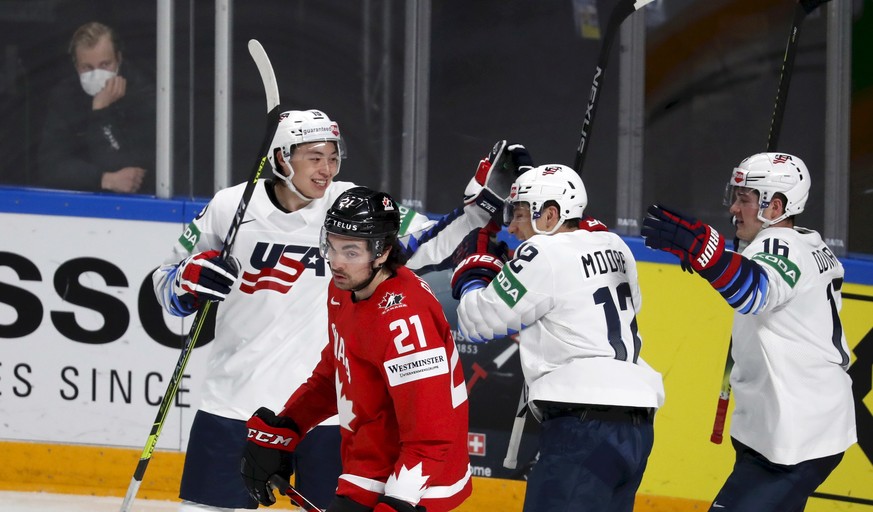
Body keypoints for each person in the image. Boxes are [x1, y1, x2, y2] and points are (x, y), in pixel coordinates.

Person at [152, 108, 526, 511]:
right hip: (233, 402)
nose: (326, 169)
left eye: (333, 156)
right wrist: (186, 282)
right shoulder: (230, 207)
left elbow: (429, 242)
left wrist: (480, 209)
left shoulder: (351, 206)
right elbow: (165, 283)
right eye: (314, 156)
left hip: (329, 417)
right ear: (282, 158)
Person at [641, 152, 856, 511]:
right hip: (804, 424)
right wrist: (722, 258)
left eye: (744, 199)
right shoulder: (809, 242)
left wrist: (706, 253)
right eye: (736, 197)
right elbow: (759, 273)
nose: (733, 210)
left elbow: (754, 292)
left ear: (776, 206)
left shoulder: (782, 245)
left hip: (797, 435)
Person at [240, 186, 472, 512]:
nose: (336, 263)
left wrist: (398, 503)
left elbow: (430, 438)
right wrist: (288, 426)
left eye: (350, 253)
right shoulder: (344, 290)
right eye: (331, 247)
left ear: (382, 252)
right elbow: (334, 374)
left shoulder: (405, 321)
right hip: (370, 459)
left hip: (416, 484)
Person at [452, 164, 665, 512]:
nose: (511, 227)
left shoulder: (543, 255)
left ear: (550, 215)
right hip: (636, 429)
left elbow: (477, 321)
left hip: (583, 429)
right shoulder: (614, 245)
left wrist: (474, 270)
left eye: (520, 214)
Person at [37, 21, 155, 194]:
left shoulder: (142, 93)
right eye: (87, 67)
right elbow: (50, 166)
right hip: (79, 202)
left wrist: (101, 112)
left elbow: (130, 172)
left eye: (105, 65)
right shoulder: (65, 96)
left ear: (119, 60)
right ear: (76, 66)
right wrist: (104, 179)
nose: (96, 74)